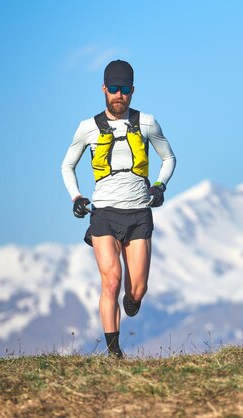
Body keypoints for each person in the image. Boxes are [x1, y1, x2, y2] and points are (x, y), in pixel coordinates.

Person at [61, 60, 176, 357]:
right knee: (110, 279)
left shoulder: (147, 123)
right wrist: (76, 197)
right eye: (113, 89)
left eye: (124, 90)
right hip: (104, 214)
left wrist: (159, 186)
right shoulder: (87, 128)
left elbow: (169, 158)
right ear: (103, 89)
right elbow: (67, 165)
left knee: (136, 290)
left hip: (138, 213)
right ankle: (114, 352)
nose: (119, 95)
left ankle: (133, 299)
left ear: (132, 91)